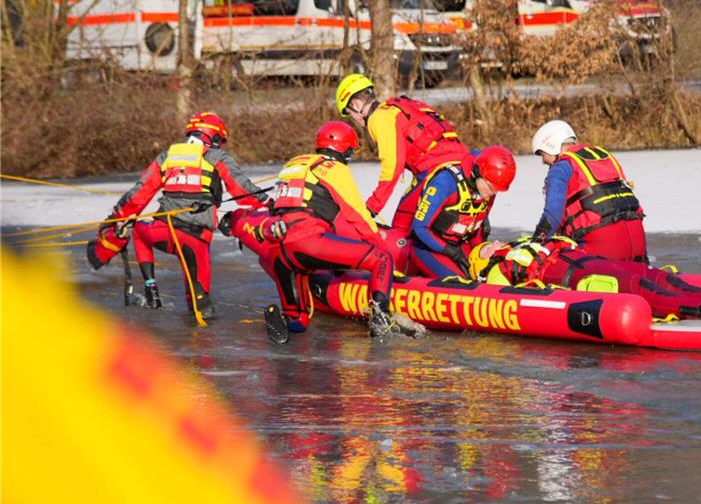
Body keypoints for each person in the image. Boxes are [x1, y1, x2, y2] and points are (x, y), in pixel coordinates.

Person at [221, 121, 425, 342]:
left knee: (299, 321)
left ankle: (285, 318)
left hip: (280, 251)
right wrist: (380, 247)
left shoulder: (295, 164)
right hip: (308, 243)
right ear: (344, 149)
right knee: (381, 258)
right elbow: (357, 215)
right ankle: (380, 319)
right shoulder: (333, 169)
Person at [106, 111, 270, 319]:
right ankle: (199, 314)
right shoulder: (216, 157)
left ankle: (151, 290)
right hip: (196, 239)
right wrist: (266, 201)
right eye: (219, 139)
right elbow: (242, 190)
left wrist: (118, 216)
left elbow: (140, 193)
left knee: (138, 230)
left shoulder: (167, 156)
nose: (220, 144)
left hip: (163, 233)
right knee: (200, 305)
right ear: (211, 136)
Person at [468, 236, 701, 322]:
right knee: (643, 288)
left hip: (594, 262)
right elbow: (507, 298)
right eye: (486, 249)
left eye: (490, 243)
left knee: (656, 275)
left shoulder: (524, 242)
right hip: (580, 278)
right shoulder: (496, 272)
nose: (493, 245)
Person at [335, 73, 468, 230]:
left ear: (356, 104)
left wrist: (371, 209)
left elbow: (392, 168)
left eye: (349, 113)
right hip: (464, 165)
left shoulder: (379, 118)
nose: (354, 119)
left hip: (437, 171)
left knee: (402, 225)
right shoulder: (402, 105)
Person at [530, 120, 647, 263]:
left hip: (603, 248)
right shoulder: (604, 156)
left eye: (542, 154)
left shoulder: (561, 167)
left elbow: (553, 215)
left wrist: (535, 245)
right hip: (638, 243)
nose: (543, 161)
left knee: (551, 263)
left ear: (552, 146)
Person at [409, 145, 516, 279]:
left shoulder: (488, 190)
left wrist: (482, 254)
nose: (493, 193)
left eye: (497, 189)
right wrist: (448, 251)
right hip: (428, 247)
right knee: (460, 283)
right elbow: (419, 228)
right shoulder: (445, 183)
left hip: (459, 246)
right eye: (490, 186)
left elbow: (477, 227)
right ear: (478, 172)